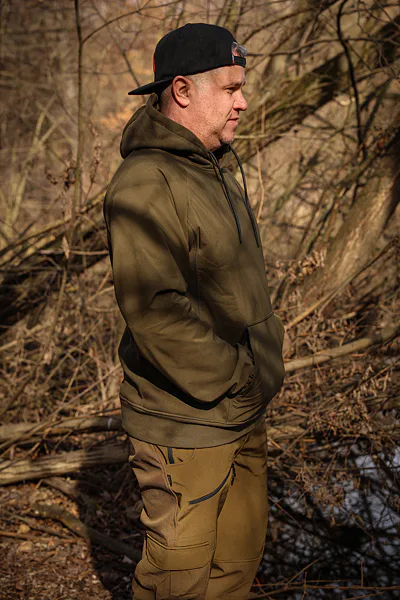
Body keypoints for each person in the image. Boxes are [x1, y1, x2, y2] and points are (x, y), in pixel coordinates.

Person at [104, 22, 285, 600]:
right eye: (231, 88)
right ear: (182, 90)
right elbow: (156, 311)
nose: (243, 101)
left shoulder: (213, 168)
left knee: (236, 565)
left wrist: (255, 378)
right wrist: (237, 378)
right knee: (177, 583)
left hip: (241, 409)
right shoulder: (145, 183)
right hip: (185, 423)